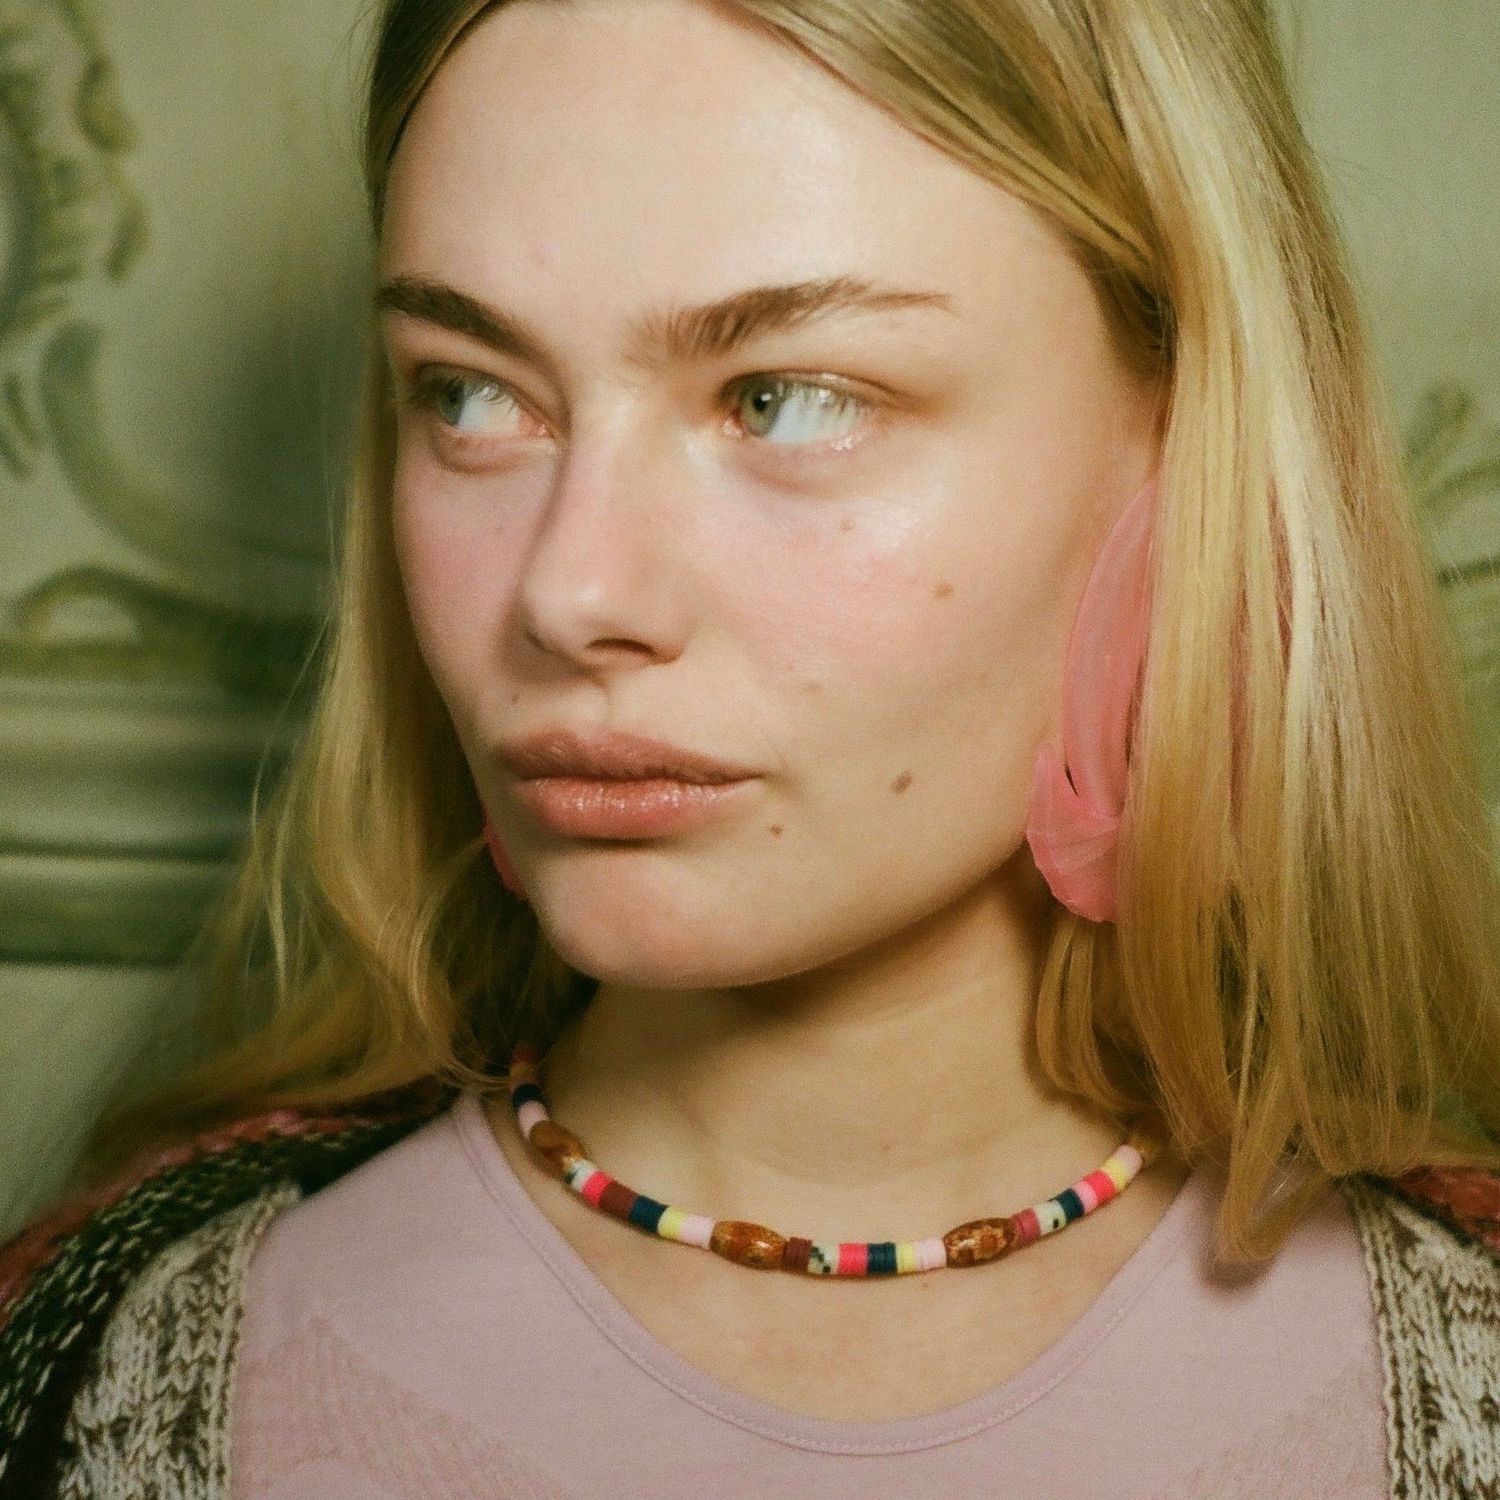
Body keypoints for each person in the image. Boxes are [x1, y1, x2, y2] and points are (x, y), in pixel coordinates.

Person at [3, 0, 1500, 1494]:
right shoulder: (104, 1373)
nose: (568, 594)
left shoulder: (1454, 1356)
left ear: (1189, 446)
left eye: (787, 400)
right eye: (471, 395)